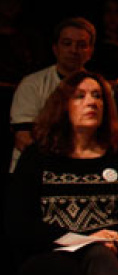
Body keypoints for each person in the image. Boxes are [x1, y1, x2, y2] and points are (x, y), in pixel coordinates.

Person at [5, 71, 118, 275]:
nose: (91, 102)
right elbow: (19, 222)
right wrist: (81, 241)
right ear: (63, 106)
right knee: (94, 256)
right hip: (52, 258)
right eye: (80, 96)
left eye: (97, 96)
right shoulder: (37, 157)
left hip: (114, 257)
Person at [9, 17, 96, 171]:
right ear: (55, 48)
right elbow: (23, 137)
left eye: (81, 45)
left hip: (84, 167)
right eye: (67, 43)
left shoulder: (99, 88)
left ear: (90, 51)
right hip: (37, 168)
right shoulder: (32, 84)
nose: (74, 50)